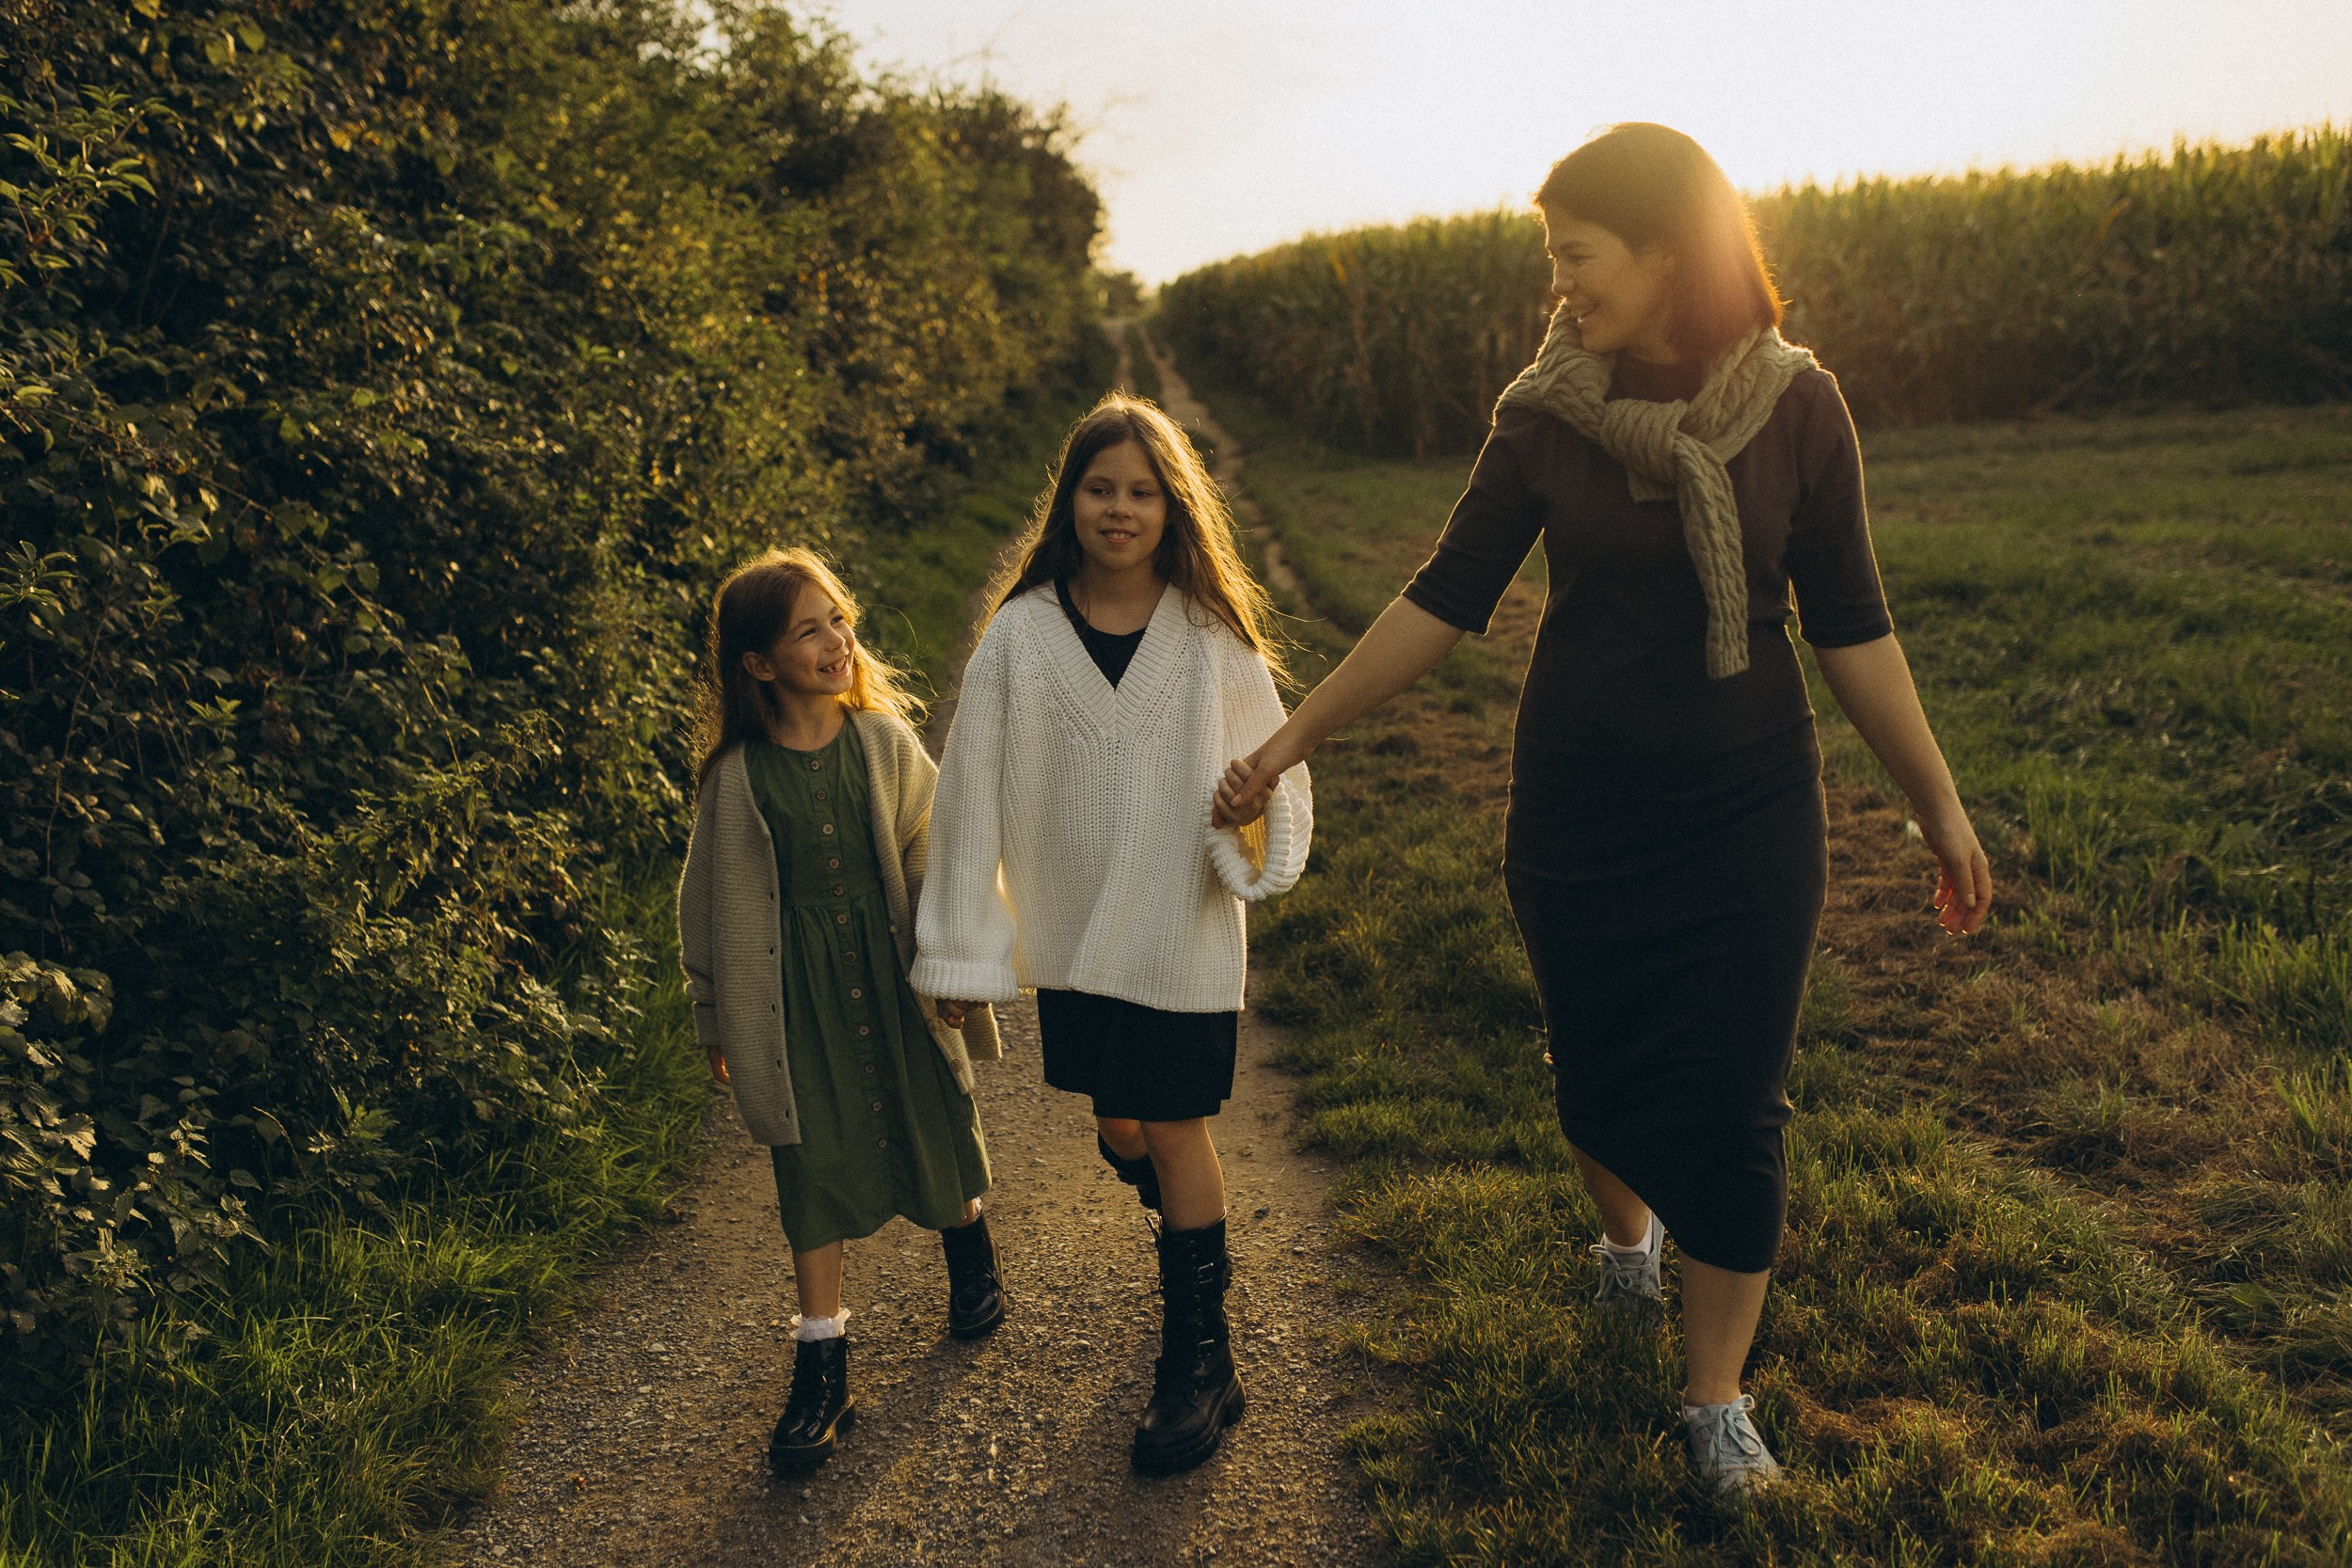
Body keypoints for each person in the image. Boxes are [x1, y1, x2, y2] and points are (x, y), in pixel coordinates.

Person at [1213, 123, 1993, 1501]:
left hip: (1750, 805)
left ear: (1668, 251)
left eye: (1579, 255)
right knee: (1596, 1064)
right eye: (1552, 257)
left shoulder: (1799, 407)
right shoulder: (1544, 416)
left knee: (1737, 1097)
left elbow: (1855, 629)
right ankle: (1625, 1245)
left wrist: (1936, 807)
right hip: (1579, 801)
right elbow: (1442, 599)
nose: (1560, 283)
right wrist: (1292, 735)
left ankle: (1713, 1400)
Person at [914, 394, 1311, 1477]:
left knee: (1177, 1131)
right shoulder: (1021, 633)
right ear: (1069, 501)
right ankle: (1156, 1192)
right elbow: (969, 800)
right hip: (1077, 936)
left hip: (1181, 931)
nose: (1120, 508)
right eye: (1100, 488)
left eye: (1142, 490)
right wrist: (959, 947)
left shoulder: (1209, 635)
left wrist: (1250, 808)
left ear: (1173, 505)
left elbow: (1273, 768)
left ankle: (1198, 1363)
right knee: (1123, 1120)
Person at [676, 547, 1006, 1475]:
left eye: (839, 619)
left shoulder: (881, 742)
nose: (837, 640)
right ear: (757, 663)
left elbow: (936, 841)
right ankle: (822, 1360)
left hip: (895, 975)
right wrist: (714, 1016)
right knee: (809, 1166)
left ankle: (970, 1248)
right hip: (796, 1007)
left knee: (932, 1122)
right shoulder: (735, 779)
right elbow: (704, 906)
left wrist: (951, 953)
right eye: (808, 629)